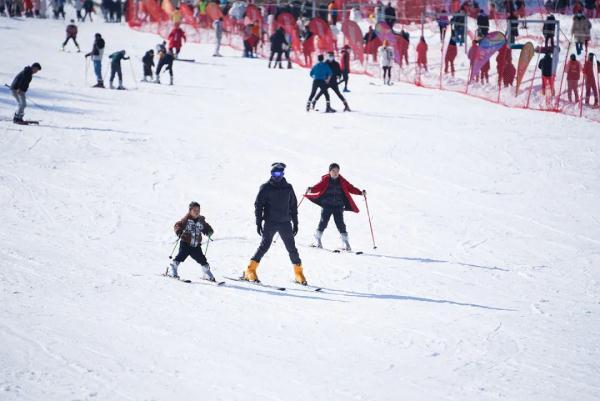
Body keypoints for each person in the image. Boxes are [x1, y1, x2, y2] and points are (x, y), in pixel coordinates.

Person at [243, 163, 306, 285]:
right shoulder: (266, 187)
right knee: (264, 246)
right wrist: (258, 221)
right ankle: (250, 270)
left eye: (279, 173)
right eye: (274, 173)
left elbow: (293, 206)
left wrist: (295, 222)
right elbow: (258, 205)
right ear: (271, 174)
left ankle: (299, 273)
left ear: (283, 174)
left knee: (292, 248)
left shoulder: (288, 187)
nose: (276, 176)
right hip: (270, 222)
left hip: (285, 223)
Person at [305, 163, 365, 251]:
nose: (335, 172)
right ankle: (318, 239)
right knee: (323, 222)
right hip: (327, 205)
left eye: (337, 171)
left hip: (338, 206)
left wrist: (360, 192)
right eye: (333, 170)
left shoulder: (342, 180)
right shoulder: (326, 179)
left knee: (340, 224)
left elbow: (351, 188)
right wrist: (311, 189)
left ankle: (346, 243)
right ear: (329, 171)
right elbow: (318, 186)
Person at [166, 201, 216, 281]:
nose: (197, 212)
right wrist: (179, 231)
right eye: (194, 210)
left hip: (196, 245)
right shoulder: (186, 220)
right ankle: (172, 269)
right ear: (190, 211)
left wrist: (209, 231)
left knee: (202, 259)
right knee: (181, 256)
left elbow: (206, 227)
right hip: (185, 243)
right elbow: (178, 225)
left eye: (198, 210)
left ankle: (206, 272)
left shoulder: (201, 220)